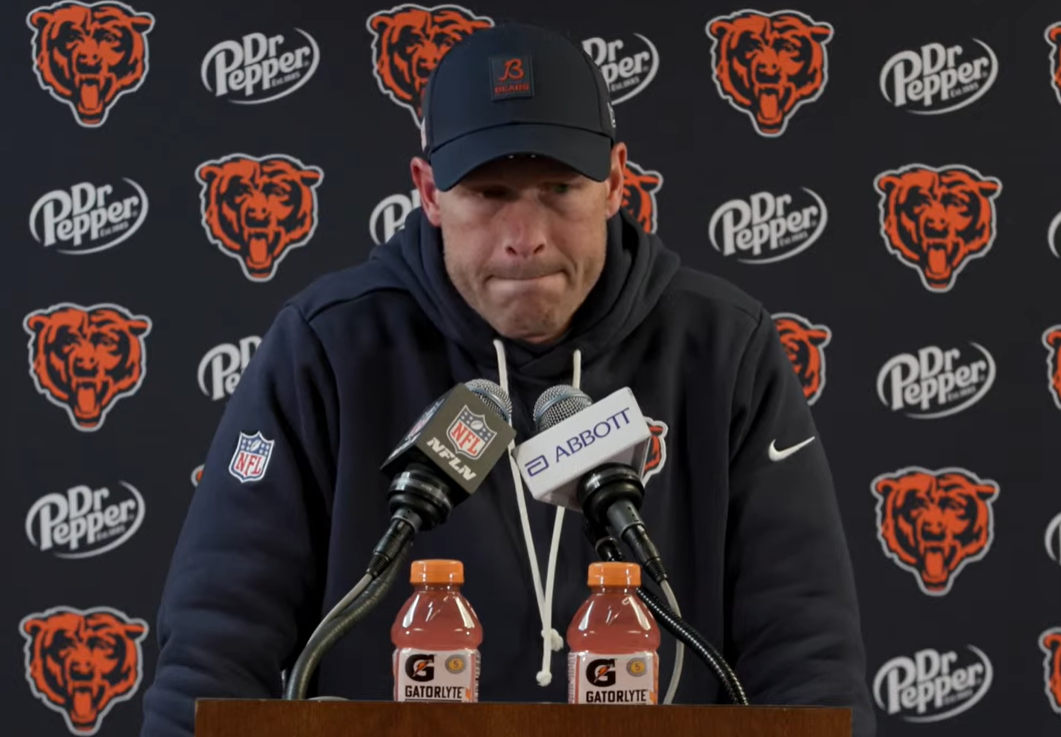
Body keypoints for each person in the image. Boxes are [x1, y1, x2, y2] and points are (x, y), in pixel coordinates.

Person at [140, 21, 875, 737]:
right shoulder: (328, 347)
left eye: (558, 187)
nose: (525, 237)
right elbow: (214, 645)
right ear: (428, 193)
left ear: (617, 181)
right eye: (488, 193)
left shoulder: (722, 347)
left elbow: (805, 652)